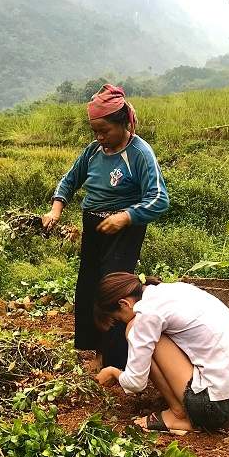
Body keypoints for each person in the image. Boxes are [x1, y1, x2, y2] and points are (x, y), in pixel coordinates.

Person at [42, 84, 168, 373]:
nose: (100, 138)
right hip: (94, 225)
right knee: (89, 286)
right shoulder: (93, 151)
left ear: (123, 123)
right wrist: (56, 209)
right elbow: (69, 181)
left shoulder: (140, 153)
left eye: (105, 131)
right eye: (95, 132)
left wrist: (126, 216)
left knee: (114, 292)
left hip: (124, 230)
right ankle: (98, 351)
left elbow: (159, 199)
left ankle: (117, 360)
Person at [93, 272, 229, 433]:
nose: (122, 322)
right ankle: (187, 405)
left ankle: (178, 414)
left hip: (213, 406)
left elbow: (136, 383)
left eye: (118, 318)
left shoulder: (146, 314)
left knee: (134, 328)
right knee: (149, 334)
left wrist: (114, 372)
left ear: (124, 304)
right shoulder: (171, 290)